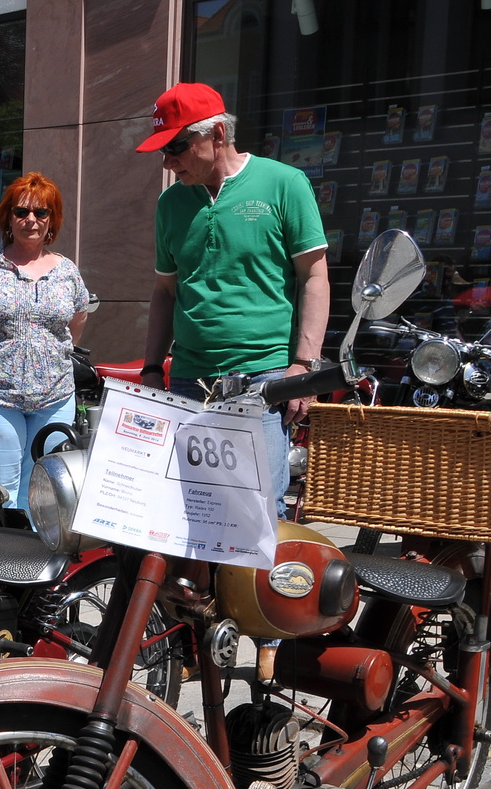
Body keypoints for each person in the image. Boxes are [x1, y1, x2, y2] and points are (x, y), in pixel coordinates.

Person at [137, 83, 329, 515]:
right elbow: (166, 290)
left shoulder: (283, 184)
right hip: (188, 379)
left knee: (258, 514)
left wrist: (304, 366)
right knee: (190, 509)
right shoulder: (170, 204)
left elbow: (315, 277)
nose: (168, 162)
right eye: (162, 152)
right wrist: (151, 367)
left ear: (218, 134)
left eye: (177, 147)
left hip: (262, 377)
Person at [0, 172, 90, 512]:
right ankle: (2, 558)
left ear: (52, 220)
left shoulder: (67, 271)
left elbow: (76, 321)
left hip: (55, 396)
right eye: (22, 212)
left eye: (42, 213)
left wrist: (52, 355)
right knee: (1, 489)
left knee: (44, 488)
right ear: (8, 217)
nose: (31, 220)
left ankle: (37, 558)